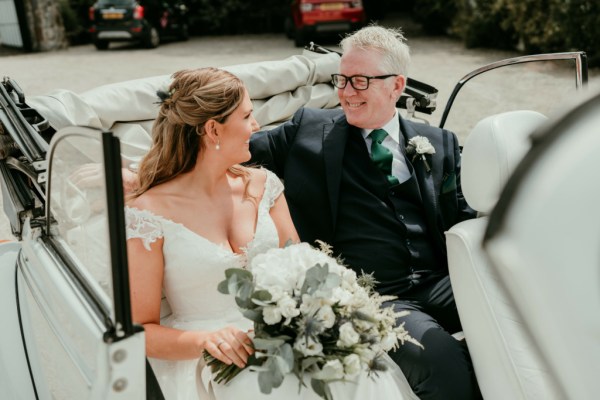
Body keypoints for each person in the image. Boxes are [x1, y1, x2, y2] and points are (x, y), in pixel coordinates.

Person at [125, 67, 418, 399]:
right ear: (213, 129)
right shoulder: (148, 213)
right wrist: (206, 341)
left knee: (355, 373)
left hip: (289, 335)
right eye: (247, 116)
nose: (256, 126)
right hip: (216, 355)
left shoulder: (264, 185)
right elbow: (139, 330)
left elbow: (304, 268)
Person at [249, 25, 480, 400]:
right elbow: (229, 151)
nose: (345, 92)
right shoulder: (306, 130)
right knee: (439, 362)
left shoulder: (439, 142)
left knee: (527, 310)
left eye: (359, 81)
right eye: (342, 79)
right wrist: (144, 171)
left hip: (442, 281)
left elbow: (466, 214)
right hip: (374, 294)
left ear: (396, 85)